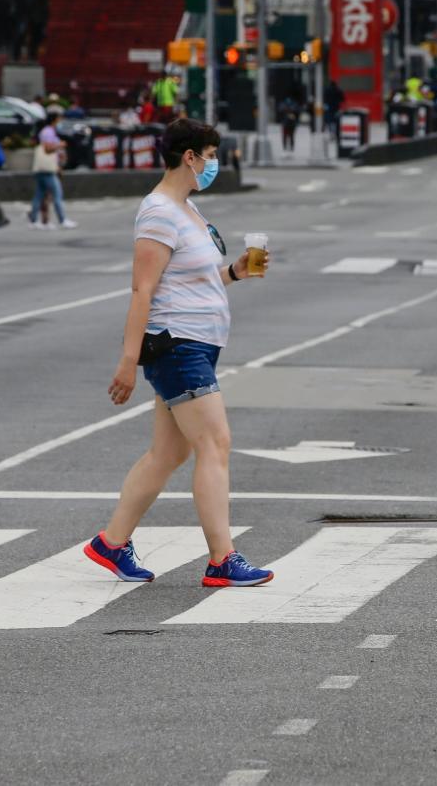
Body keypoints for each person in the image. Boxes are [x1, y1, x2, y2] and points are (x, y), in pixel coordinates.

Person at [87, 118, 275, 589]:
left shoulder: (187, 209)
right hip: (177, 345)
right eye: (209, 156)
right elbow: (142, 290)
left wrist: (234, 272)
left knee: (167, 454)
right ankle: (221, 560)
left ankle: (111, 543)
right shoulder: (158, 212)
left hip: (200, 343)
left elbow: (198, 279)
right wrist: (129, 360)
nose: (213, 164)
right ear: (188, 157)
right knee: (215, 443)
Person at [29, 109, 77, 229]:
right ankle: (62, 219)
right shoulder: (48, 131)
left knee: (39, 195)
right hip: (47, 169)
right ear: (55, 119)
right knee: (57, 194)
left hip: (44, 168)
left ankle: (34, 220)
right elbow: (47, 149)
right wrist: (60, 145)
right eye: (59, 118)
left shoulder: (47, 131)